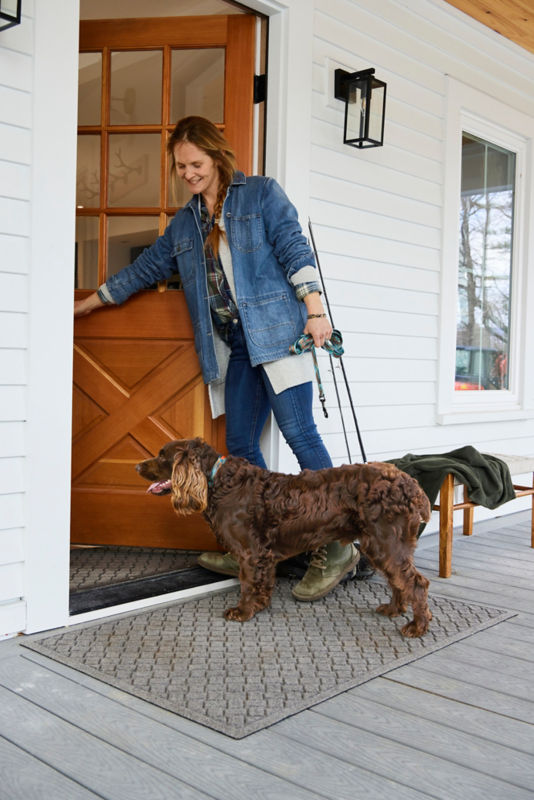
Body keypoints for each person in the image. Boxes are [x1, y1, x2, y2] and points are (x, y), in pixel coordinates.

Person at [74, 115, 362, 601]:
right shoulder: (186, 223)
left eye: (196, 163)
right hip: (236, 349)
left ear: (217, 156)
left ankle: (337, 546)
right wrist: (88, 303)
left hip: (280, 337)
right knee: (240, 442)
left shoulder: (261, 194)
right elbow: (144, 269)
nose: (188, 173)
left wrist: (315, 310)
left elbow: (294, 249)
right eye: (181, 166)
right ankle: (252, 541)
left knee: (299, 434)